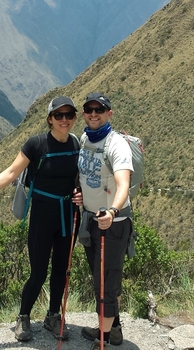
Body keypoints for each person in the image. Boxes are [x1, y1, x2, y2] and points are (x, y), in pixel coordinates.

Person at [0, 96, 81, 342]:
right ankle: (24, 317)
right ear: (49, 119)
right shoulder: (36, 144)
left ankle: (53, 316)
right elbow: (11, 172)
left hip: (69, 214)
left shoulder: (76, 144)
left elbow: (87, 176)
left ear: (74, 118)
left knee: (62, 269)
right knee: (38, 272)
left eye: (68, 115)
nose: (64, 120)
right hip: (42, 215)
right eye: (58, 115)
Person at [74, 92, 133, 349]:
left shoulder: (116, 144)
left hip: (112, 224)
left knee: (106, 281)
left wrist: (112, 211)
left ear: (110, 113)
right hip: (90, 220)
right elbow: (87, 174)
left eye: (100, 110)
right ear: (85, 113)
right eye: (89, 110)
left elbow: (123, 183)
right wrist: (80, 194)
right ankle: (113, 328)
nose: (94, 114)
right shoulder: (86, 138)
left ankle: (104, 340)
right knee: (101, 279)